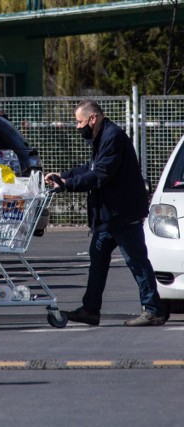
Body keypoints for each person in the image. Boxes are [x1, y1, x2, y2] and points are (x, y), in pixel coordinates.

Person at [45, 100, 167, 327]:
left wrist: (67, 185)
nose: (77, 127)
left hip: (122, 213)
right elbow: (91, 167)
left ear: (93, 118)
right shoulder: (101, 138)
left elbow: (101, 174)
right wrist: (64, 175)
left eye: (80, 122)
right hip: (109, 215)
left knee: (136, 261)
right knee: (98, 258)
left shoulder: (113, 137)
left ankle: (154, 309)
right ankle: (90, 310)